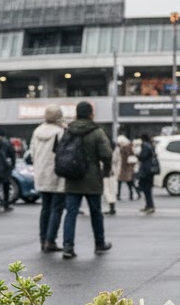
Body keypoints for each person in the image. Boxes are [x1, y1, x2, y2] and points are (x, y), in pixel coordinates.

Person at [60, 101, 113, 258]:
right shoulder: (97, 132)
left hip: (72, 177)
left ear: (76, 113)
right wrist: (105, 169)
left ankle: (68, 247)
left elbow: (60, 151)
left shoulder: (69, 130)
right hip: (92, 177)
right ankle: (99, 244)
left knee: (71, 213)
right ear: (91, 114)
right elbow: (106, 154)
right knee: (96, 213)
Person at [29, 105, 67, 252]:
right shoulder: (61, 132)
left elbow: (32, 154)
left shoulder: (37, 131)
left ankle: (43, 238)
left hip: (41, 174)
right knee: (57, 208)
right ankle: (50, 241)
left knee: (45, 207)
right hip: (56, 174)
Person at [136, 132, 157, 213]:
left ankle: (150, 206)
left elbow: (143, 157)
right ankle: (149, 205)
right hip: (150, 170)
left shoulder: (145, 145)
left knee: (146, 189)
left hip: (146, 170)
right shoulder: (151, 145)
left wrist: (137, 155)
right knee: (148, 188)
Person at [116, 134, 138, 200]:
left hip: (124, 167)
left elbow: (123, 158)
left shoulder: (123, 149)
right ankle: (133, 194)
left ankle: (118, 195)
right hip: (128, 167)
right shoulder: (130, 147)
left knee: (121, 182)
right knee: (130, 183)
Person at [103, 137, 119, 215]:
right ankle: (112, 208)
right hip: (112, 173)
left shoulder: (107, 152)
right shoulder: (115, 152)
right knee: (111, 191)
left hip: (107, 173)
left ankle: (112, 208)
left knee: (108, 191)